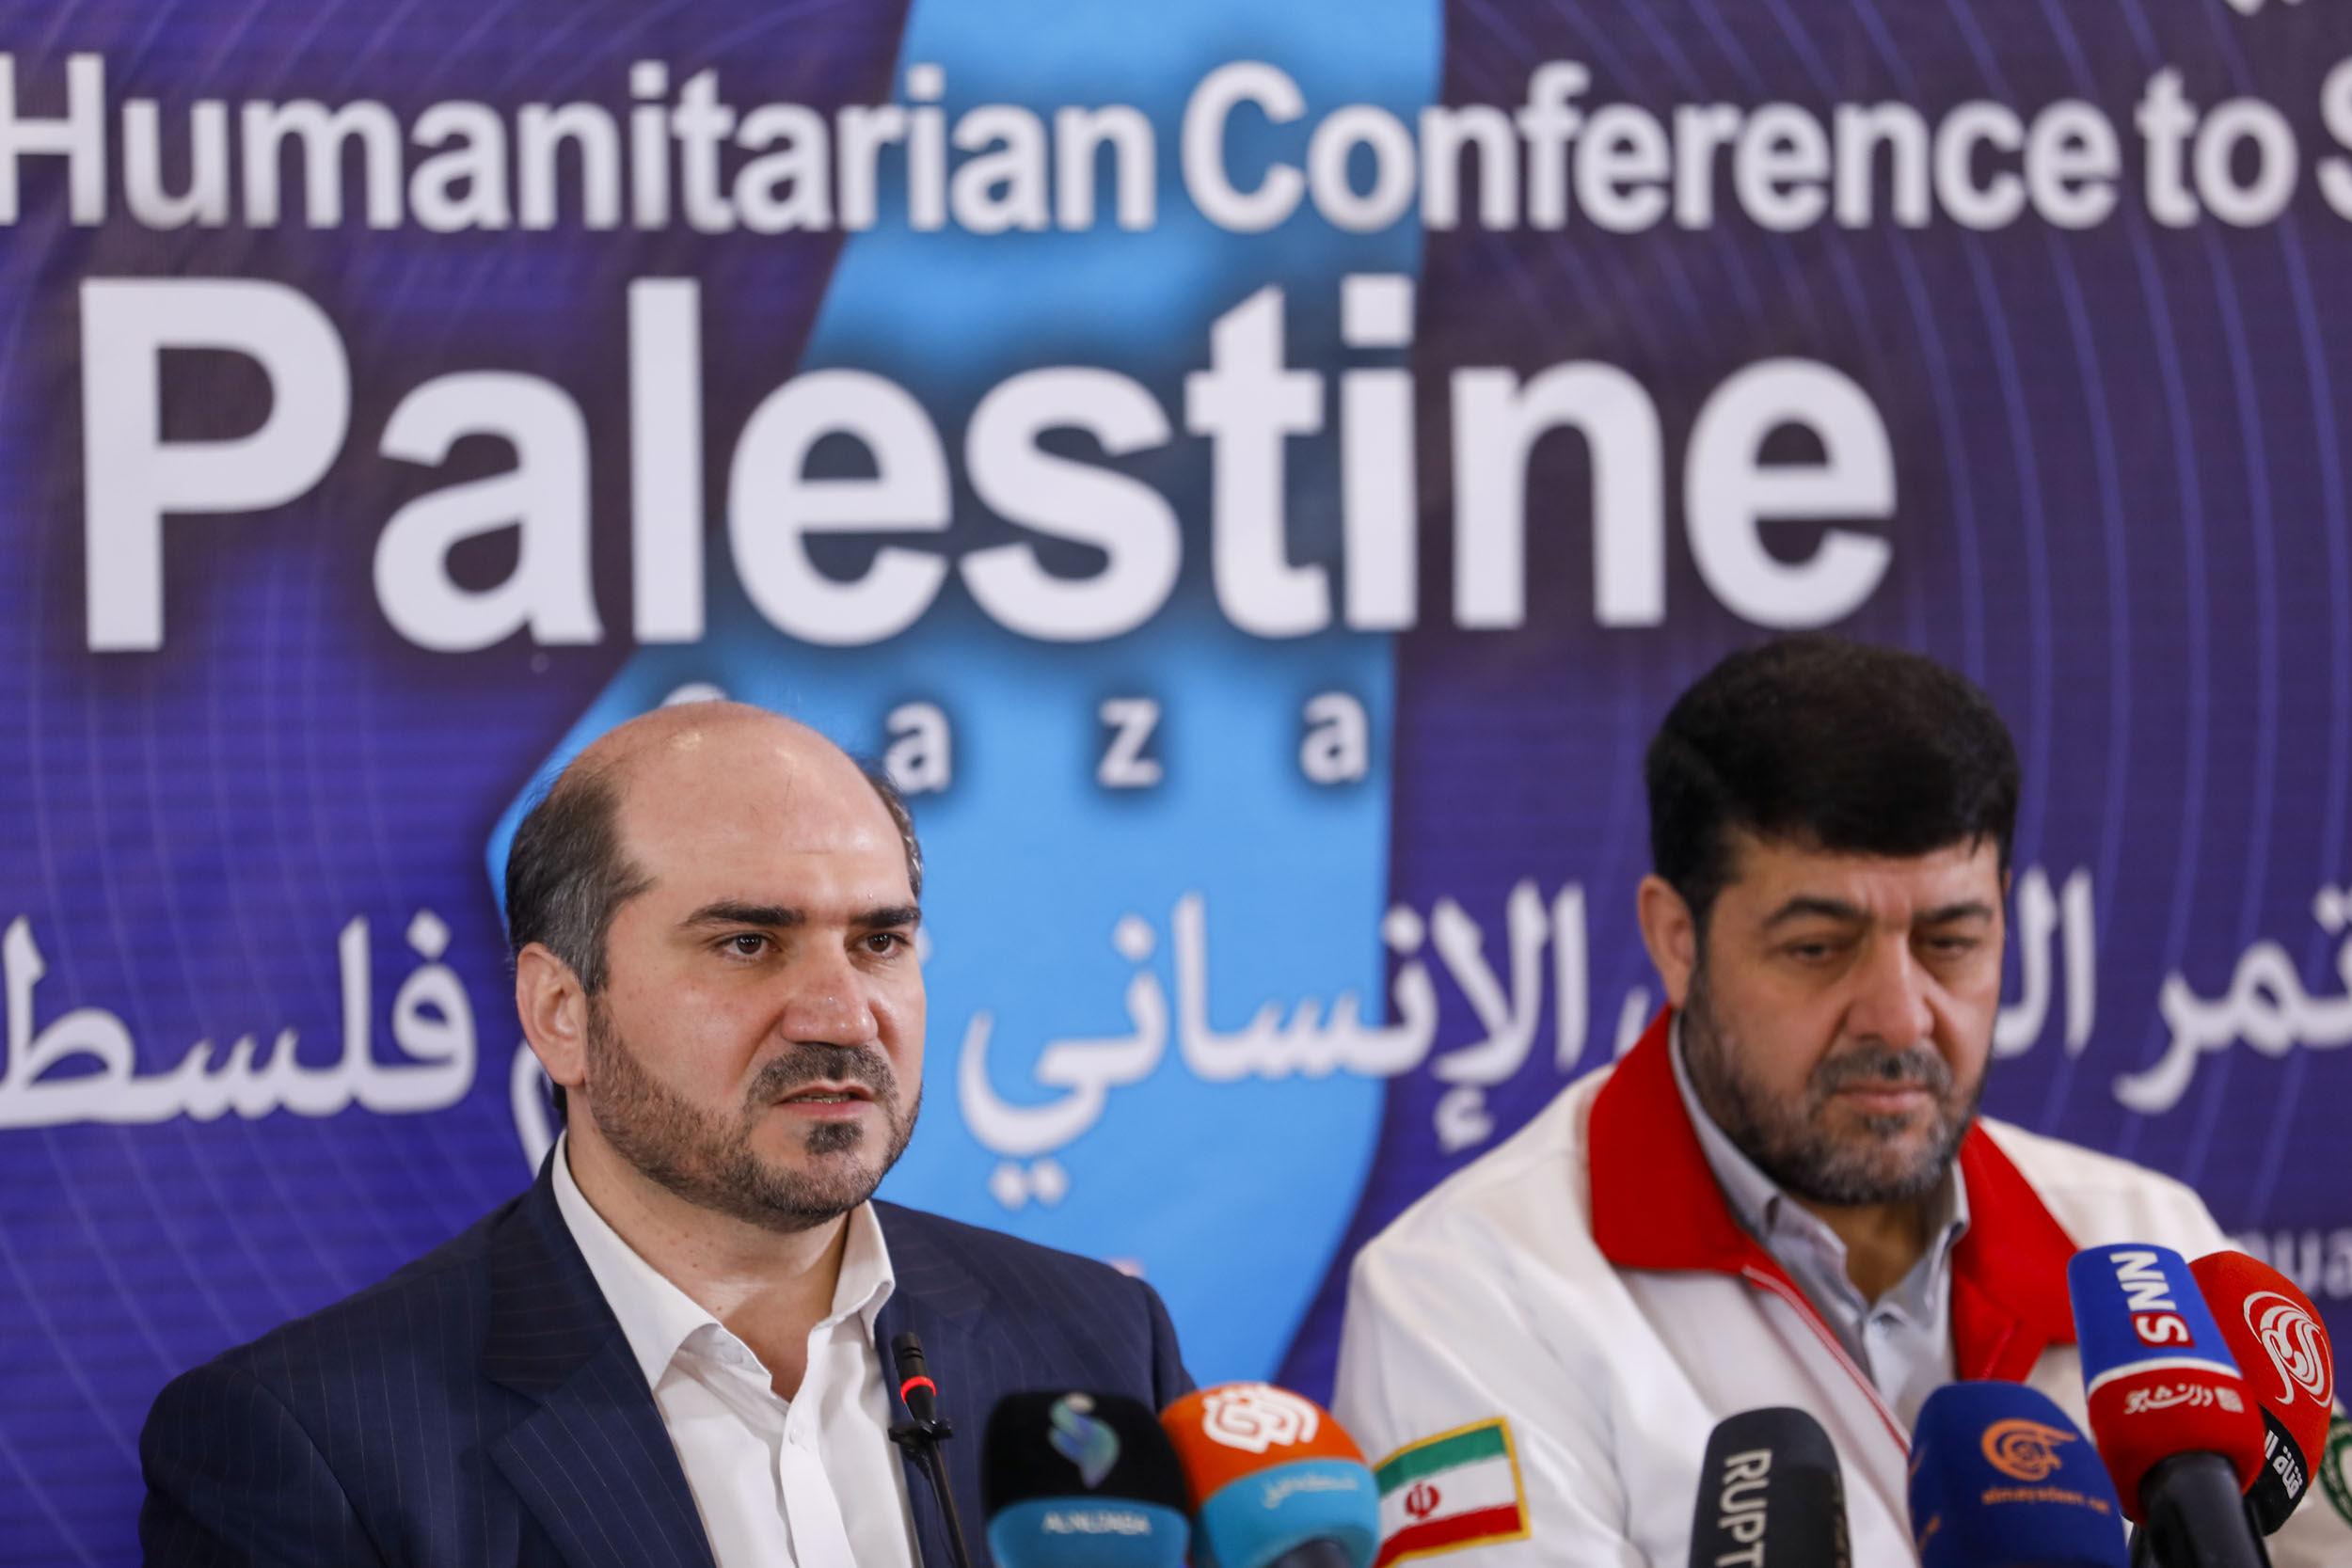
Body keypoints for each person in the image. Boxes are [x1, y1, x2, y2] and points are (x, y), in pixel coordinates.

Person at [1331, 636, 2351, 1565]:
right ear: (1677, 940)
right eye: (1818, 947)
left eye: (1951, 941)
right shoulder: (1466, 1290)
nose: (1900, 1016)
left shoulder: (2147, 1241)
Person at [139, 702, 1191, 1567]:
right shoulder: (314, 1443)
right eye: (747, 943)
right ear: (561, 1011)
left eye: (878, 940)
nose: (841, 1014)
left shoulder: (1097, 1342)